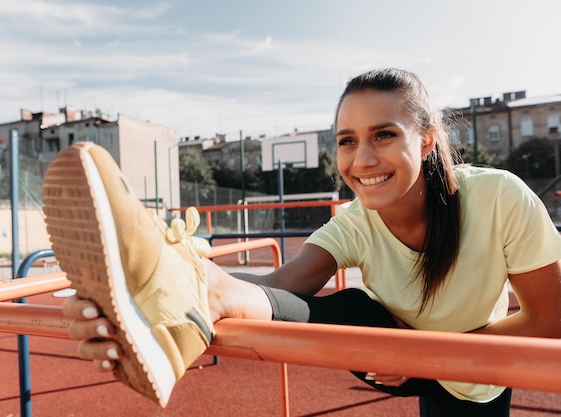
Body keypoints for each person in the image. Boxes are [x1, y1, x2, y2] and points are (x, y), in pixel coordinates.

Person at [43, 68, 561, 417]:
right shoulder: (354, 223)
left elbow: (549, 318)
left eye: (383, 135)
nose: (362, 159)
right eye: (346, 140)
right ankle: (183, 294)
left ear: (425, 140)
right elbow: (279, 291)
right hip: (391, 358)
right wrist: (155, 300)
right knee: (355, 309)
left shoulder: (498, 197)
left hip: (474, 372)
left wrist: (427, 355)